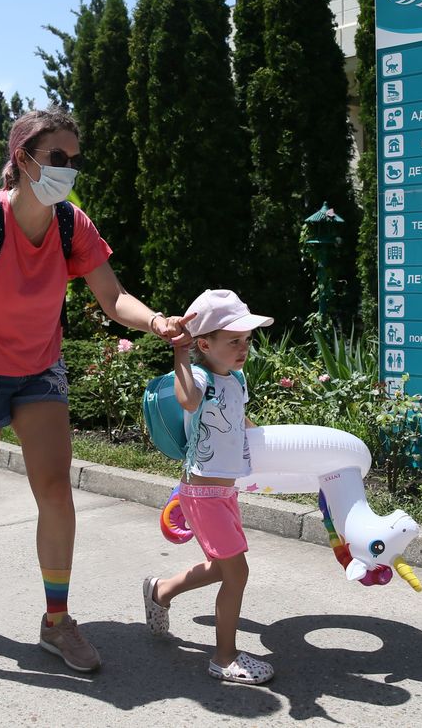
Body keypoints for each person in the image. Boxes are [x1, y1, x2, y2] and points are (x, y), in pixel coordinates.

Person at [0, 108, 190, 673]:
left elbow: (113, 297)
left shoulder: (73, 225)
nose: (68, 169)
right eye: (58, 158)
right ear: (23, 159)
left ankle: (56, 622)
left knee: (54, 491)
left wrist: (156, 323)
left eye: (74, 160)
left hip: (39, 369)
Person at [141, 288, 276, 685]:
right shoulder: (199, 376)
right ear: (204, 344)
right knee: (237, 573)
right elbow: (187, 400)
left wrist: (273, 458)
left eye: (247, 340)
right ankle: (224, 657)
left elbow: (241, 424)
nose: (243, 348)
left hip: (225, 491)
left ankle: (161, 591)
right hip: (202, 494)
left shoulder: (237, 379)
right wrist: (180, 354)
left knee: (222, 567)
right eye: (233, 341)